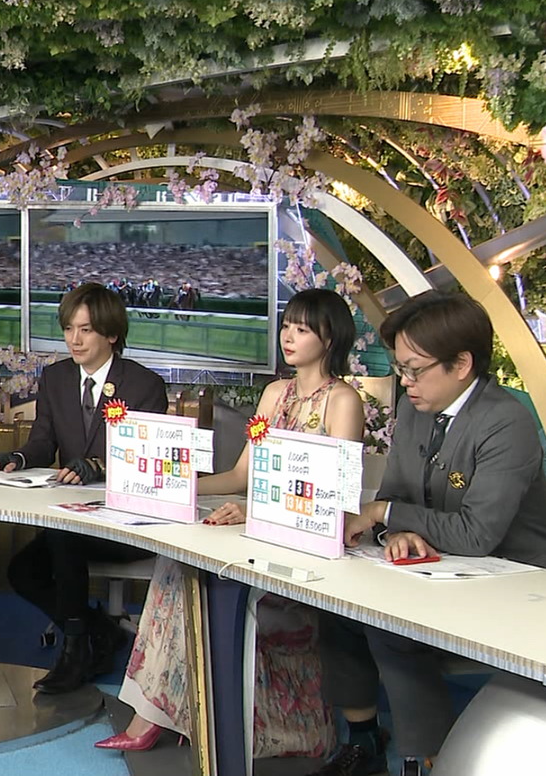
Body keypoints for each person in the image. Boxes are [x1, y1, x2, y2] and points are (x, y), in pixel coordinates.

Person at [310, 291, 546, 776]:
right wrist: (393, 533)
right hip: (449, 570)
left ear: (461, 365)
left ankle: (427, 759)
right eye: (400, 369)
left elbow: (476, 535)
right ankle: (364, 739)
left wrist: (387, 514)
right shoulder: (415, 408)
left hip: (523, 582)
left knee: (391, 623)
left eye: (415, 369)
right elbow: (397, 497)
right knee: (339, 609)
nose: (405, 381)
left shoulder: (505, 422)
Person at [97, 288, 363, 754]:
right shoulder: (274, 394)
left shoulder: (342, 401)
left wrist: (253, 509)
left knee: (199, 579)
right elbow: (242, 475)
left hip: (306, 553)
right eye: (286, 326)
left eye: (302, 329)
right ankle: (157, 711)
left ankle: (160, 717)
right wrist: (176, 486)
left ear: (329, 337)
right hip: (259, 538)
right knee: (175, 566)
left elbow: (333, 498)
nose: (288, 336)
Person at [0, 282, 168, 695]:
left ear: (111, 333)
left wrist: (98, 467)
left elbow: (152, 461)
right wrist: (18, 458)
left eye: (85, 330)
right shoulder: (56, 378)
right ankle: (98, 631)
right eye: (69, 329)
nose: (74, 339)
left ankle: (75, 651)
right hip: (73, 519)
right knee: (22, 570)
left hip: (126, 522)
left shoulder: (144, 385)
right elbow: (42, 443)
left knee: (63, 538)